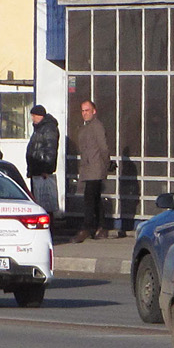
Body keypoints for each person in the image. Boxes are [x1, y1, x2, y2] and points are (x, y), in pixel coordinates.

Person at [74, 99, 110, 242]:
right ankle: (101, 227)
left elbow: (103, 148)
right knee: (94, 199)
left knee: (89, 198)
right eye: (82, 111)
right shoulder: (85, 127)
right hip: (87, 168)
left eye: (87, 110)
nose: (84, 113)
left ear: (94, 111)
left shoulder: (97, 126)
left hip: (95, 168)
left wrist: (105, 165)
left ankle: (87, 228)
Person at [25, 104, 60, 223]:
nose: (33, 119)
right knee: (40, 200)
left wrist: (47, 169)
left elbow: (50, 150)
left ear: (40, 116)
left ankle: (48, 226)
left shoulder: (48, 128)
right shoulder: (39, 128)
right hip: (36, 169)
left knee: (45, 201)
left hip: (42, 171)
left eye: (34, 116)